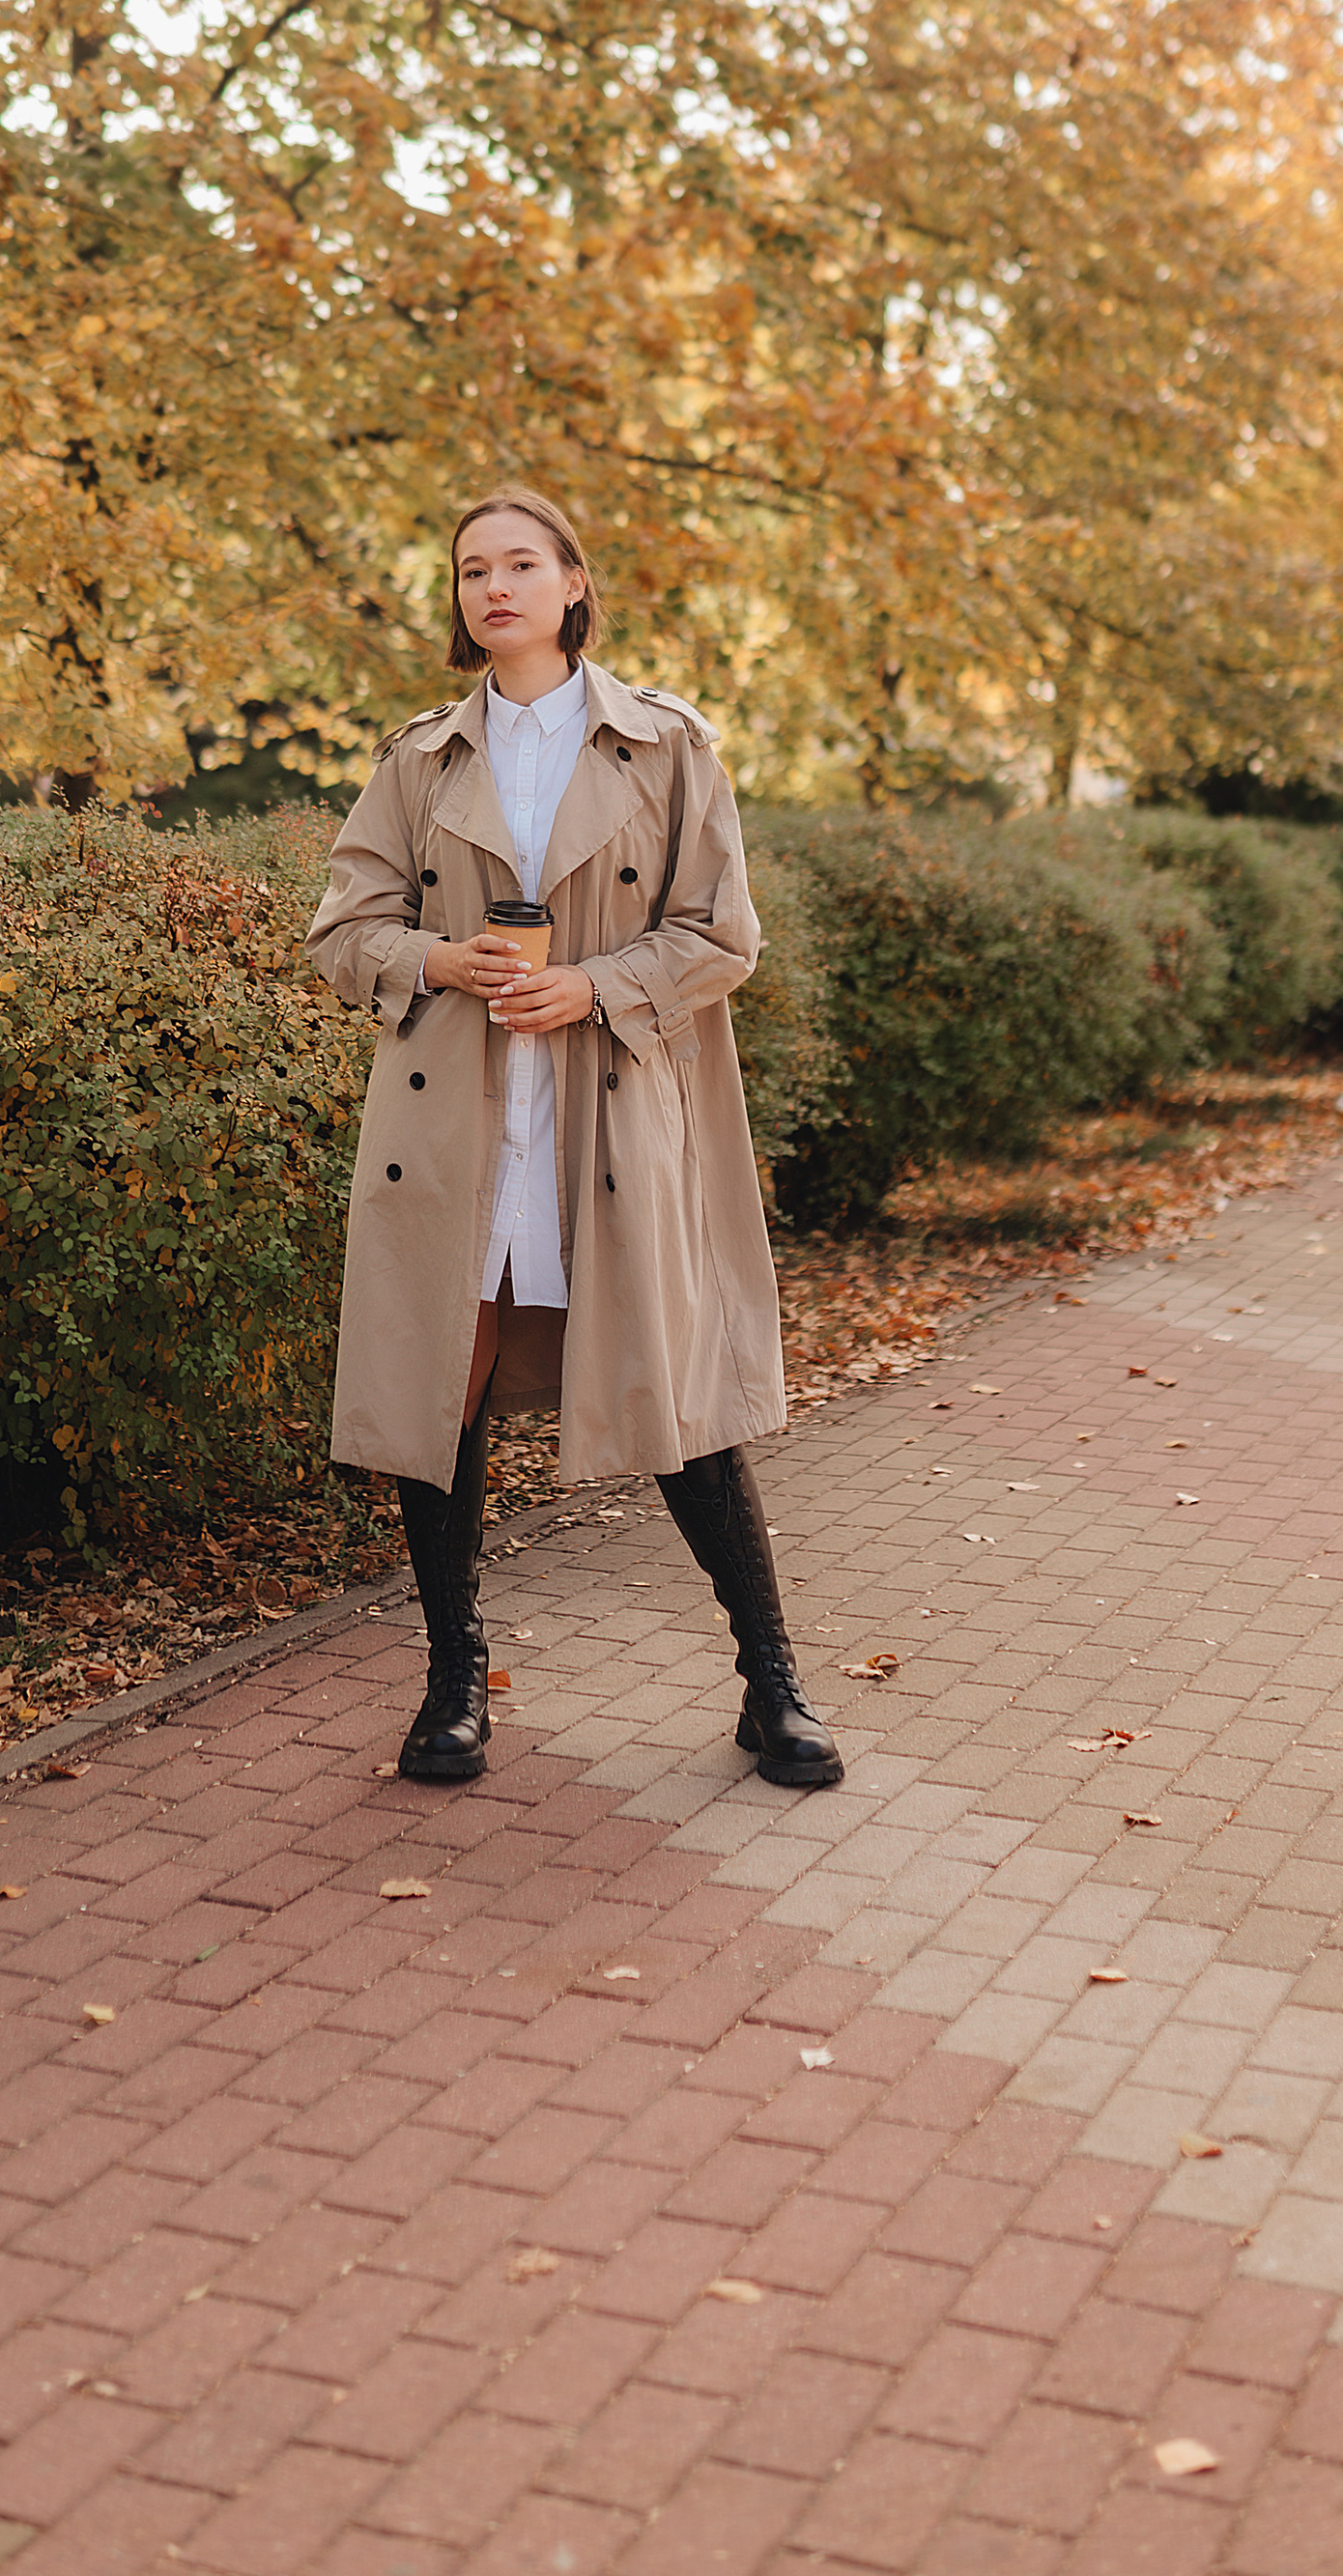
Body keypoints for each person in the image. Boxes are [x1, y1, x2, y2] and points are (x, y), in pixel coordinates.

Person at [305, 488, 843, 1794]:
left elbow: (722, 933)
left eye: (522, 563)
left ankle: (771, 1683)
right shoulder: (419, 758)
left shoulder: (665, 745)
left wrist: (592, 986)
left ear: (573, 582)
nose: (496, 586)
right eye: (472, 569)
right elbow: (338, 932)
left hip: (610, 1111)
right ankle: (454, 1685)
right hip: (456, 1123)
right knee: (450, 1392)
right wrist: (443, 956)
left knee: (676, 1396)